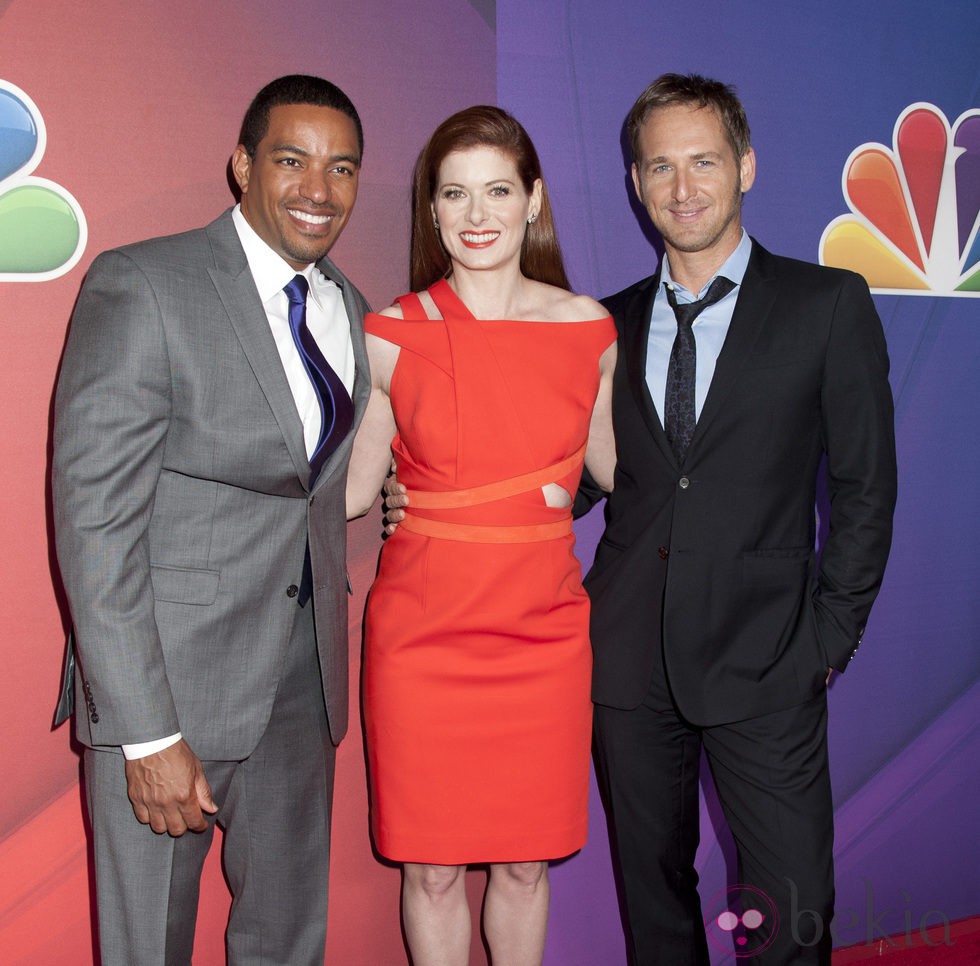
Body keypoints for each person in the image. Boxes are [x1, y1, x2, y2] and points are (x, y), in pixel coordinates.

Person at [576, 74, 897, 964]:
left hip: (770, 658)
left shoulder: (825, 307)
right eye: (662, 167)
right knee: (656, 906)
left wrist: (827, 639)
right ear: (637, 184)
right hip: (630, 661)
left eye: (705, 162)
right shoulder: (604, 325)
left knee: (789, 911)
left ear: (746, 167)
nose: (684, 188)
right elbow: (576, 481)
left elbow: (868, 489)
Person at [52, 75, 370, 965]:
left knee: (285, 942)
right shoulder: (145, 283)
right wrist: (144, 729)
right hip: (169, 692)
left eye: (342, 168)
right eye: (292, 159)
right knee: (149, 947)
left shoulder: (349, 304)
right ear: (242, 166)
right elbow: (95, 520)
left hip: (301, 693)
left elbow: (317, 486)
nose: (319, 189)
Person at [346, 105, 617, 966]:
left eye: (498, 190)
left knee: (526, 866)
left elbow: (611, 474)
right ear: (430, 211)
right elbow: (349, 492)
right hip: (421, 639)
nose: (477, 214)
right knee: (427, 871)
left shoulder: (589, 331)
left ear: (533, 200)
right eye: (454, 194)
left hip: (542, 636)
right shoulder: (389, 333)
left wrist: (522, 502)